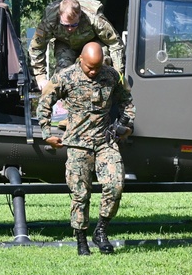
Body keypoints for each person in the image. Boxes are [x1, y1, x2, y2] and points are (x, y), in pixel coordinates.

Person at [38, 41, 135, 256]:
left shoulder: (110, 75)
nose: (93, 72)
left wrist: (126, 125)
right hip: (77, 144)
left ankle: (101, 231)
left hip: (105, 142)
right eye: (89, 67)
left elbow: (127, 101)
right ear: (80, 59)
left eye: (97, 67)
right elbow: (45, 102)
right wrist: (47, 134)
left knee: (115, 185)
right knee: (80, 194)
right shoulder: (66, 77)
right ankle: (81, 240)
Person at [30, 0, 125, 90]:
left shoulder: (94, 19)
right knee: (63, 72)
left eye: (74, 24)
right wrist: (40, 76)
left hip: (92, 43)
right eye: (66, 25)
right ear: (59, 15)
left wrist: (118, 74)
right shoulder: (50, 21)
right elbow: (37, 47)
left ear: (80, 15)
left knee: (100, 64)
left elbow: (115, 44)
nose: (70, 28)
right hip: (66, 44)